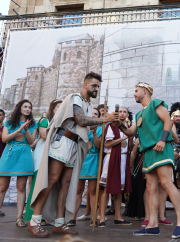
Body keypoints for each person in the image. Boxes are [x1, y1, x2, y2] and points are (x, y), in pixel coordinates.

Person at [26, 72, 119, 238]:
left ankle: (59, 223)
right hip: (62, 142)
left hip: (74, 145)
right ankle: (34, 221)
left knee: (66, 184)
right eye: (94, 85)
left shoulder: (88, 105)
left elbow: (85, 126)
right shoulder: (75, 98)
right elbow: (81, 121)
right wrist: (104, 119)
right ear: (85, 85)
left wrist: (109, 122)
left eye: (98, 86)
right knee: (51, 180)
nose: (96, 88)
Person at [115, 82, 180, 238]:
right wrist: (120, 125)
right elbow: (130, 132)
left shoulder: (155, 103)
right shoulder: (139, 114)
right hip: (148, 152)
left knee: (167, 183)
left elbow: (168, 121)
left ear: (144, 91)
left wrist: (163, 140)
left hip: (161, 148)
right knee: (150, 188)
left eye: (136, 91)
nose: (134, 94)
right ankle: (152, 225)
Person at [0, 100, 38, 228]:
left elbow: (32, 141)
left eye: (30, 107)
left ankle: (19, 217)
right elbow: (5, 139)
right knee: (2, 187)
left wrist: (26, 130)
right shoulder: (9, 123)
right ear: (19, 108)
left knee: (21, 187)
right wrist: (20, 129)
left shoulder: (33, 123)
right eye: (25, 106)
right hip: (9, 154)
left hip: (24, 154)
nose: (28, 109)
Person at [25, 99, 62, 222]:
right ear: (52, 109)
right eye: (57, 107)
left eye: (62, 108)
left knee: (48, 187)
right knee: (38, 184)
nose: (60, 109)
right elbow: (44, 135)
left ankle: (45, 216)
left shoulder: (61, 123)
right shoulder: (45, 120)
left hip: (53, 156)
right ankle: (32, 216)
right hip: (42, 155)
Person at [98, 106, 133, 228]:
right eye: (120, 112)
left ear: (127, 115)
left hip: (123, 159)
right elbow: (107, 143)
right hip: (112, 157)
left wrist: (132, 141)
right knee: (106, 188)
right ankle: (101, 217)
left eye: (125, 112)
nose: (122, 114)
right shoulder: (111, 126)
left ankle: (118, 217)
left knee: (119, 190)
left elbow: (130, 146)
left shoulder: (128, 128)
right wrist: (123, 138)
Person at [67, 108, 102, 227]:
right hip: (81, 159)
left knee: (92, 190)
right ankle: (72, 217)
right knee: (78, 190)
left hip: (93, 159)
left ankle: (93, 218)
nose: (93, 115)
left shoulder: (100, 128)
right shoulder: (81, 126)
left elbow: (98, 146)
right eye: (91, 113)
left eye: (96, 114)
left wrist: (94, 133)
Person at [126, 138, 146, 221]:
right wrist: (130, 167)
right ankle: (138, 213)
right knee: (138, 188)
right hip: (139, 164)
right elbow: (134, 153)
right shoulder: (138, 139)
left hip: (150, 162)